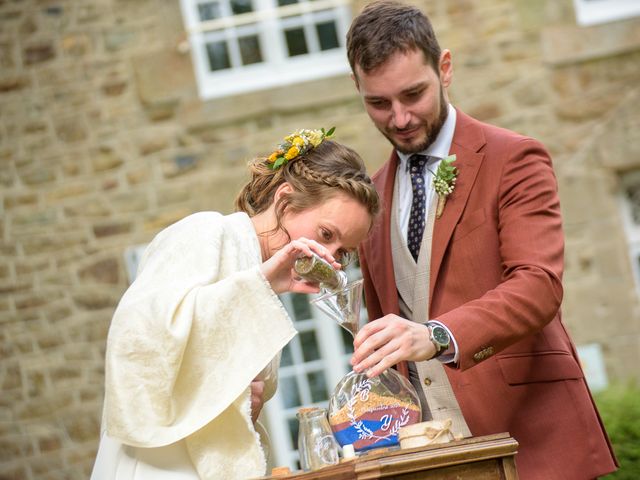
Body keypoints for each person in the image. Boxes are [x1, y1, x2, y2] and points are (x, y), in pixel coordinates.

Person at [346, 2, 618, 479]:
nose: (401, 117)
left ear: (444, 68)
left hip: (532, 441)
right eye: (379, 103)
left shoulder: (513, 157)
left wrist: (433, 336)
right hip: (434, 459)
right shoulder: (372, 196)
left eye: (414, 94)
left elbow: (538, 287)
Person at [89, 128, 380, 480]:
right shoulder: (206, 232)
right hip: (159, 465)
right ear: (285, 202)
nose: (332, 259)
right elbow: (137, 338)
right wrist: (257, 286)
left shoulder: (260, 277)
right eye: (326, 235)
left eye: (343, 252)